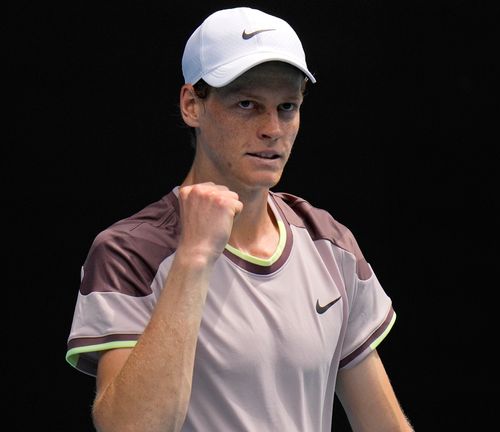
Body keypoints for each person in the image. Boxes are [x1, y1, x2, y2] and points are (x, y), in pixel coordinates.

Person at [65, 6, 413, 431]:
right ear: (192, 104)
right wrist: (193, 257)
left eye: (287, 107)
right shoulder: (128, 252)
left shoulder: (330, 244)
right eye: (247, 104)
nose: (272, 128)